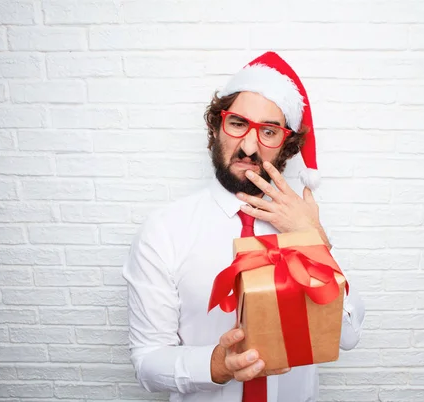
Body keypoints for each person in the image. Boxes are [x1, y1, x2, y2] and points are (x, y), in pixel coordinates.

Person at [122, 51, 365, 402]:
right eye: (238, 124)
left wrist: (313, 241)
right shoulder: (164, 231)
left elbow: (348, 335)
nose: (249, 146)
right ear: (216, 125)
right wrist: (215, 366)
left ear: (287, 144)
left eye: (268, 131)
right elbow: (146, 361)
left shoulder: (302, 224)